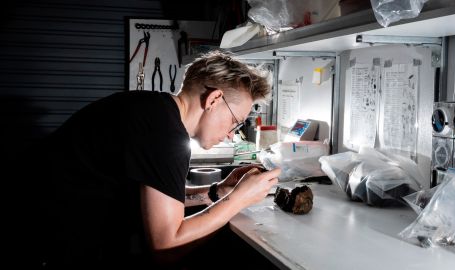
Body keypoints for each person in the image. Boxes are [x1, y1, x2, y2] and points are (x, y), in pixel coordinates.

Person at [7, 50, 280, 268]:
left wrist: (217, 192)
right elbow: (166, 247)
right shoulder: (164, 135)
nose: (232, 135)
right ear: (214, 100)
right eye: (235, 121)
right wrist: (240, 199)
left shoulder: (155, 111)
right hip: (41, 240)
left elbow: (156, 195)